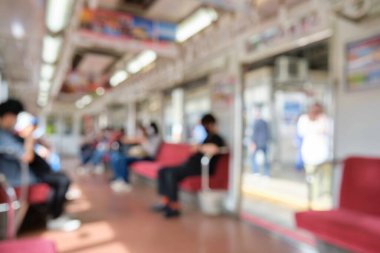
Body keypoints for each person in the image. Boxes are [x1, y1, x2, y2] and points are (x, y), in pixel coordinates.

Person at [0, 99, 80, 231]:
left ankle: (55, 215)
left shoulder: (8, 134)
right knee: (61, 181)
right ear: (9, 116)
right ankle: (55, 218)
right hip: (18, 179)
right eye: (15, 118)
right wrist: (30, 137)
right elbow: (27, 157)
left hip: (24, 175)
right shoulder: (3, 136)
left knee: (60, 178)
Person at [151, 114, 226, 218]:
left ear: (210, 124)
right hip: (190, 166)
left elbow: (213, 149)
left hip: (200, 168)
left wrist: (198, 148)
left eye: (204, 125)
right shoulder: (206, 138)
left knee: (171, 173)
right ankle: (165, 201)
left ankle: (174, 206)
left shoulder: (217, 138)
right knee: (162, 170)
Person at [109, 122, 161, 193]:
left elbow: (152, 151)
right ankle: (119, 179)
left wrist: (144, 141)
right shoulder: (146, 136)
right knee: (118, 158)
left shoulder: (157, 137)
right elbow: (130, 141)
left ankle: (125, 182)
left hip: (149, 157)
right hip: (140, 155)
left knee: (123, 160)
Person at [297, 102, 332, 200]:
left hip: (325, 154)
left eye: (317, 111)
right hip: (309, 154)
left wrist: (321, 120)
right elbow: (302, 132)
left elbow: (328, 130)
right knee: (312, 177)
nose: (315, 113)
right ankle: (313, 196)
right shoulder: (304, 120)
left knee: (326, 177)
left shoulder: (325, 120)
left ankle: (326, 195)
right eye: (313, 110)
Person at [249, 108, 270, 176]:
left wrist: (253, 143)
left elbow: (254, 134)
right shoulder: (265, 122)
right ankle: (266, 173)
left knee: (252, 157)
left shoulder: (255, 122)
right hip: (264, 142)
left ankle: (255, 171)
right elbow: (268, 133)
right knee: (266, 158)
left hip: (257, 142)